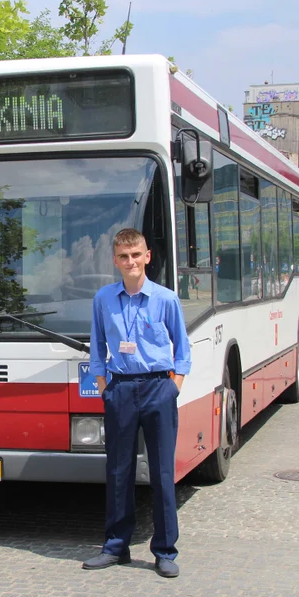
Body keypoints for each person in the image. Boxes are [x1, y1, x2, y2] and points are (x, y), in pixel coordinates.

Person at [83, 228, 192, 578]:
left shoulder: (165, 299)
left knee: (161, 473)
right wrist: (104, 387)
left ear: (148, 257)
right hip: (121, 390)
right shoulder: (103, 299)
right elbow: (97, 346)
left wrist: (173, 387)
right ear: (115, 261)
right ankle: (116, 546)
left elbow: (183, 349)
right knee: (118, 471)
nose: (130, 262)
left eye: (136, 255)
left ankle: (164, 550)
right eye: (123, 257)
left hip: (158, 388)